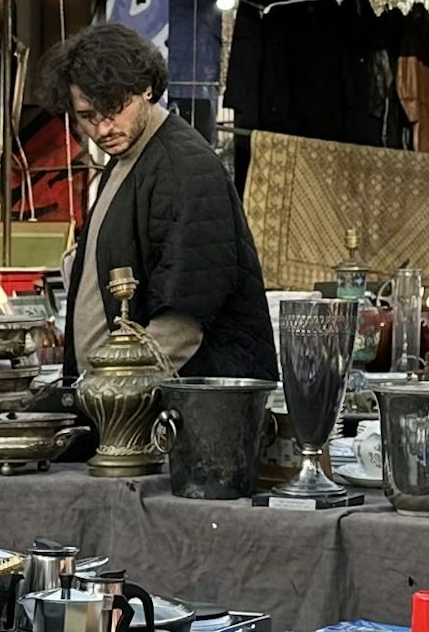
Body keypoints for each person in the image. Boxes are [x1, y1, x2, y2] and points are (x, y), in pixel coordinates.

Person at [47, 23, 273, 381]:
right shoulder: (127, 160)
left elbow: (183, 322)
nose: (103, 129)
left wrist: (116, 389)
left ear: (147, 89)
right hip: (127, 407)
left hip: (182, 413)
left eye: (115, 109)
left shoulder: (184, 166)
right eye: (88, 116)